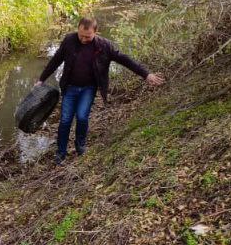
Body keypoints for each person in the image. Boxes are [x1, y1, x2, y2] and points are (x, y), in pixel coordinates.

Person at [36, 16, 163, 163]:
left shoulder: (104, 46)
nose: (83, 39)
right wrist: (41, 79)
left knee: (82, 117)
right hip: (70, 87)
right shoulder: (69, 40)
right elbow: (56, 60)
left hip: (88, 88)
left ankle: (80, 145)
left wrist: (146, 74)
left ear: (95, 32)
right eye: (81, 35)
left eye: (87, 37)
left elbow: (125, 60)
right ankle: (61, 152)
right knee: (65, 120)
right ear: (78, 30)